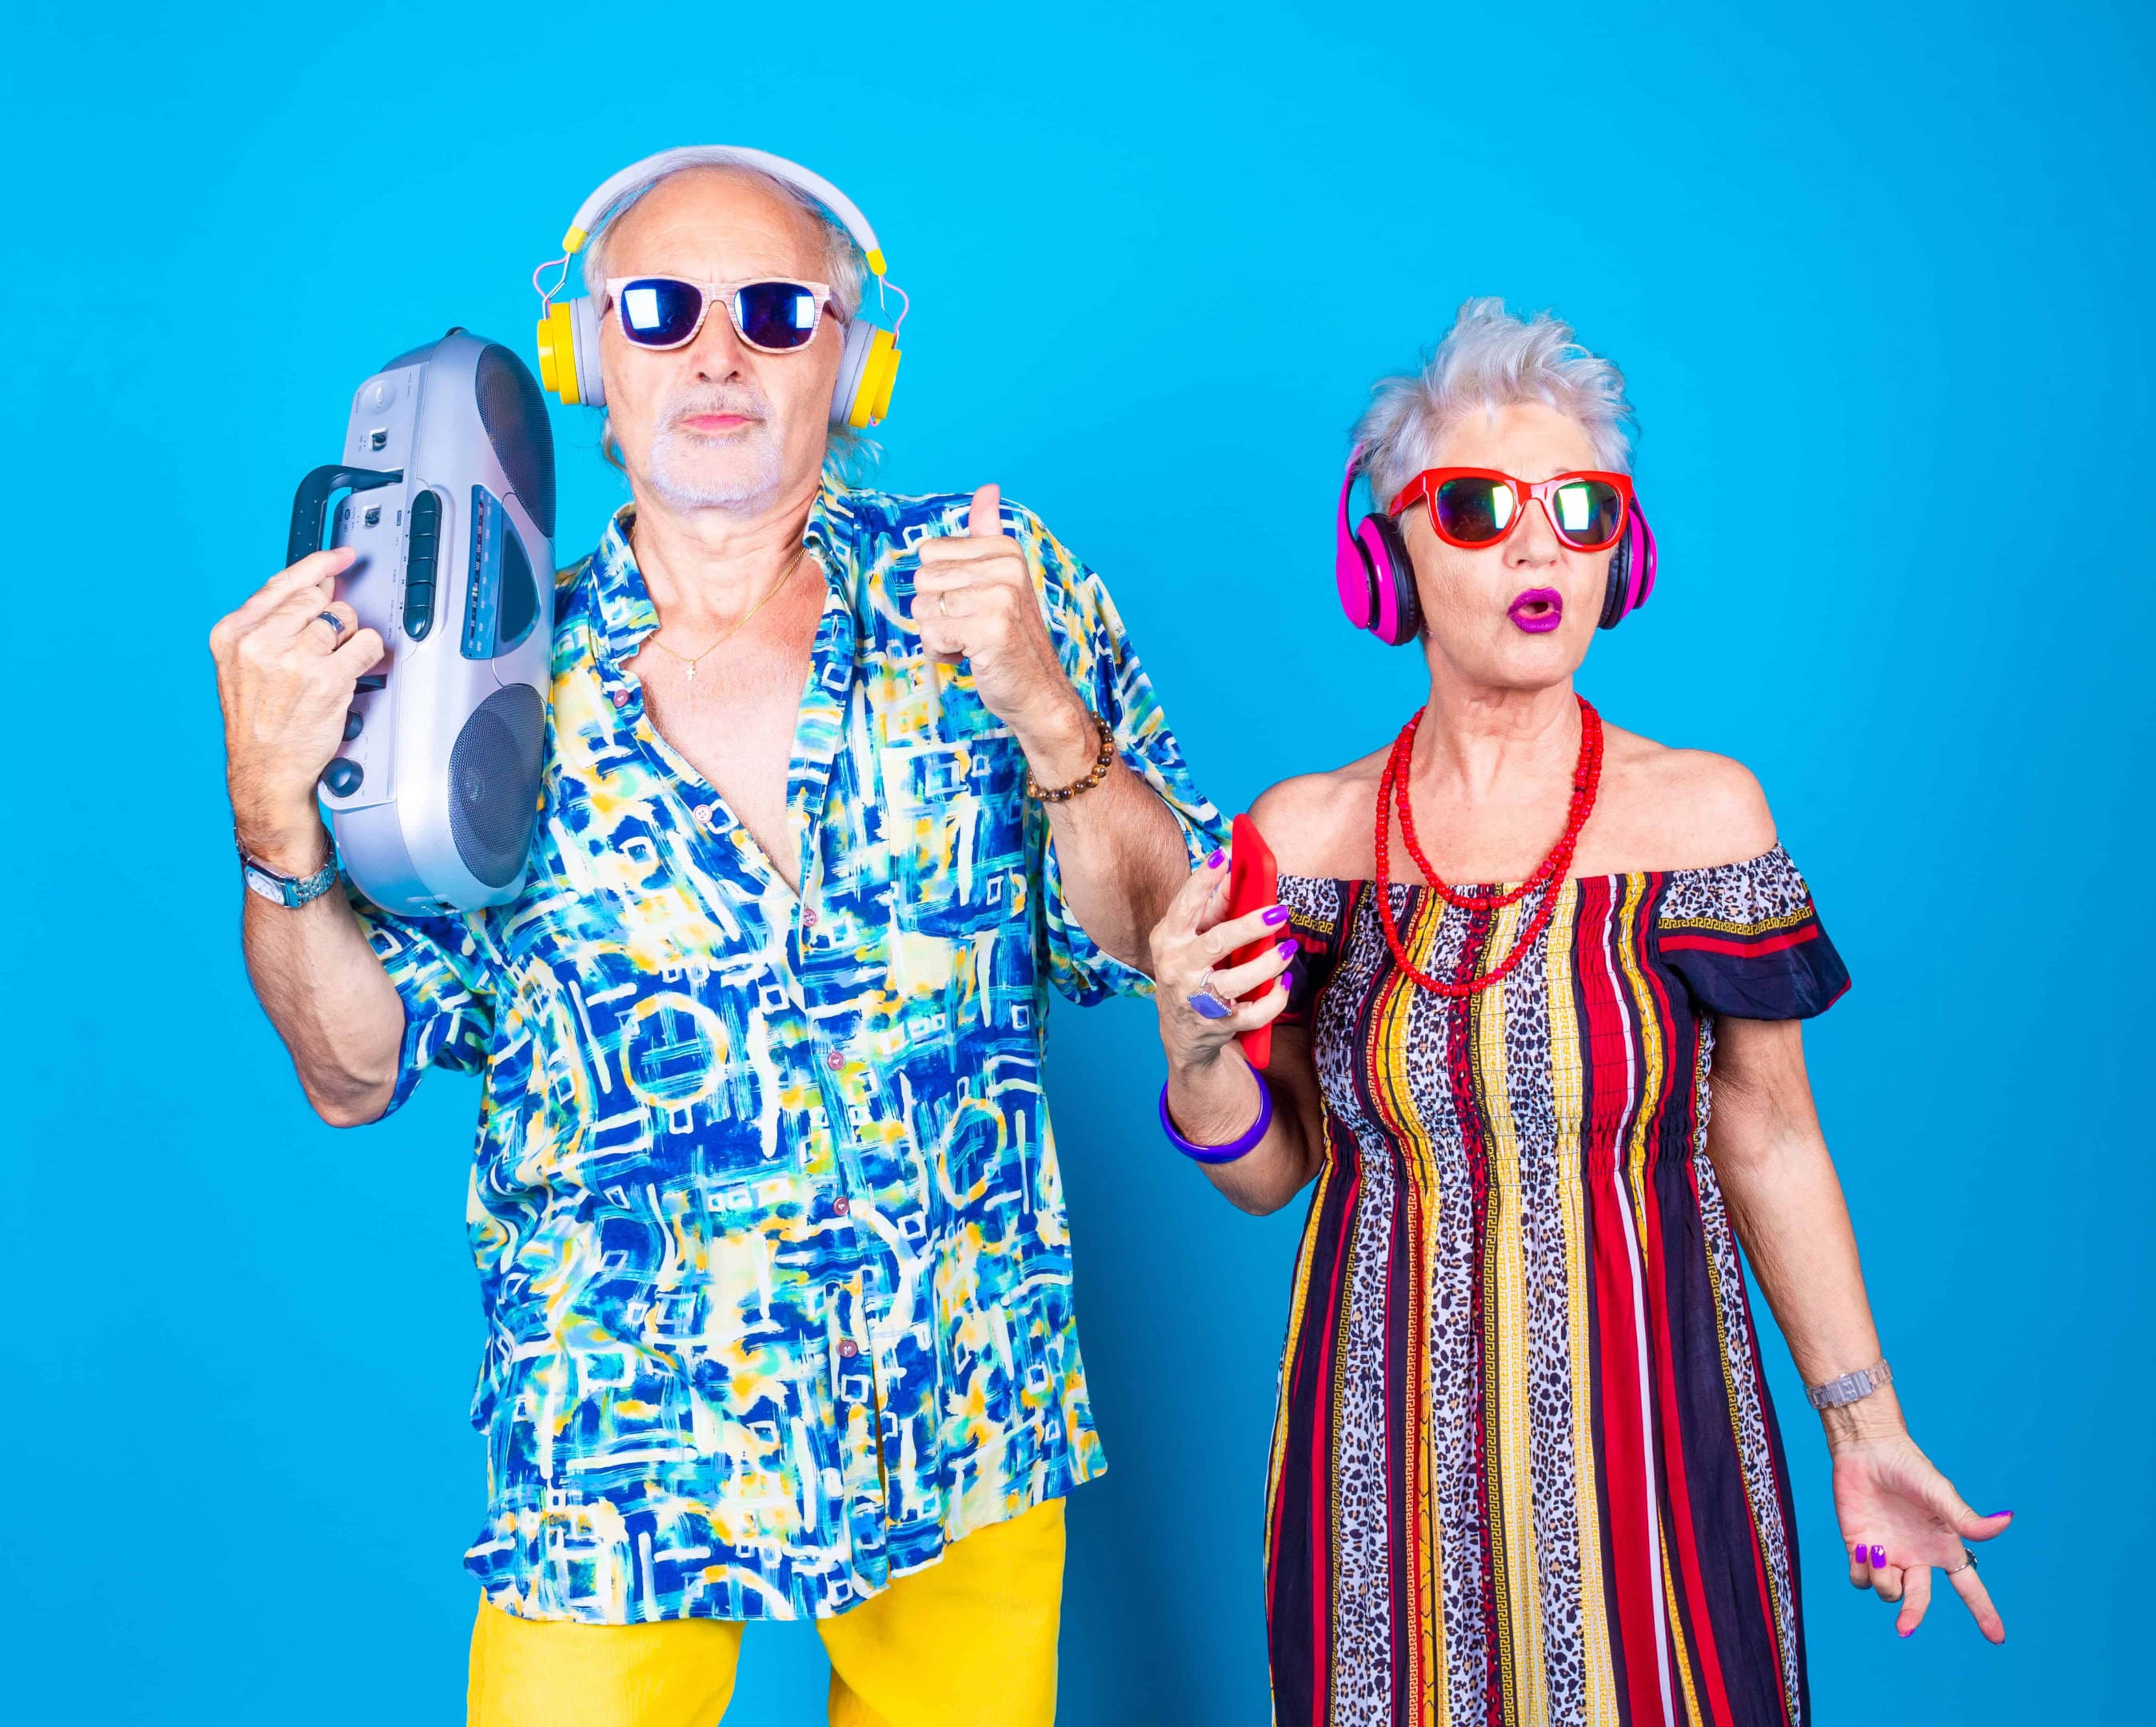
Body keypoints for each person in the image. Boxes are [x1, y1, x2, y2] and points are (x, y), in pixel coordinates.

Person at [208, 148, 1212, 1727]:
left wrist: (1040, 703)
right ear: (583, 360)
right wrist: (276, 824)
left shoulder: (1002, 593)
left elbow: (1163, 939)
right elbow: (351, 1070)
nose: (719, 352)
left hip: (957, 1402)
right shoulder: (480, 686)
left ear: (854, 357)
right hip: (614, 1436)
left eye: (776, 309)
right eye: (663, 309)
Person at [1144, 300, 2012, 1725]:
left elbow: (1775, 1141)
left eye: (1583, 508)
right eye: (1480, 507)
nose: (1541, 544)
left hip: (1659, 1455)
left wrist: (1868, 1431)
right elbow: (1267, 1171)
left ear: (1627, 552)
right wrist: (1190, 1048)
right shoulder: (1301, 840)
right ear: (1390, 554)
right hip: (1381, 1480)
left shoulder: (1703, 815)